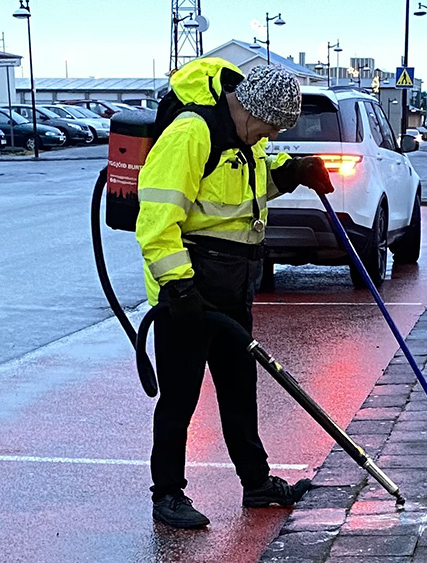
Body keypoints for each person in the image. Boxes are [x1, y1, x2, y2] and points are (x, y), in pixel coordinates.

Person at [135, 60, 335, 529]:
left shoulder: (250, 141)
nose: (271, 134)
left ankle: (258, 484)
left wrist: (296, 172)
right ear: (250, 107)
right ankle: (167, 494)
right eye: (270, 125)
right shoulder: (191, 135)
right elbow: (157, 219)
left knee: (240, 389)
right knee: (180, 398)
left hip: (233, 282)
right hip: (188, 287)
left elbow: (248, 188)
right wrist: (179, 285)